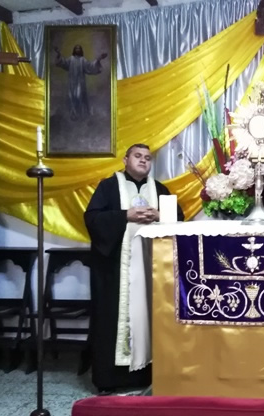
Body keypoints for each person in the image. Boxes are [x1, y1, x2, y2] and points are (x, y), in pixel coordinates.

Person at [84, 143, 184, 393]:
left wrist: (160, 215)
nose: (143, 161)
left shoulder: (160, 190)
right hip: (116, 269)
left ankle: (147, 376)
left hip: (152, 270)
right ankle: (110, 380)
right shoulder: (108, 187)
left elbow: (179, 219)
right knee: (112, 320)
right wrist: (125, 216)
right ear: (125, 160)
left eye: (147, 158)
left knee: (150, 317)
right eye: (137, 156)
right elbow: (93, 218)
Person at [54, 44, 108, 121]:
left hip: (80, 83)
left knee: (79, 97)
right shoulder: (71, 59)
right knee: (71, 97)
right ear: (74, 50)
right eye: (76, 48)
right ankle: (72, 115)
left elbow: (90, 66)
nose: (78, 49)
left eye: (79, 48)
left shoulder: (83, 60)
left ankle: (79, 115)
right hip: (72, 83)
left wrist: (98, 59)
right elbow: (63, 62)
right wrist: (58, 54)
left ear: (81, 50)